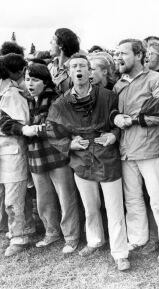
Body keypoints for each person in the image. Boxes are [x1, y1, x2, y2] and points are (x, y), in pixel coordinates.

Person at [40, 54, 130, 271]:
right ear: (69, 73)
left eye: (82, 66)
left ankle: (120, 252)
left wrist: (114, 136)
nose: (78, 69)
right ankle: (95, 240)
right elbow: (51, 129)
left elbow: (117, 119)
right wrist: (69, 144)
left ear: (90, 72)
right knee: (90, 207)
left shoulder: (108, 96)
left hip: (106, 154)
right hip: (81, 158)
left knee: (114, 207)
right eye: (74, 66)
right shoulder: (61, 103)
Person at [112, 39, 159, 262]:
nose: (118, 57)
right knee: (132, 198)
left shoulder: (156, 79)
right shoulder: (118, 83)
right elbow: (114, 113)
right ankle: (138, 238)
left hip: (149, 149)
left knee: (158, 199)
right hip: (125, 150)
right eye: (116, 53)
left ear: (139, 55)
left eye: (123, 53)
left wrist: (135, 119)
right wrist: (116, 117)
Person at [4, 63, 80, 254]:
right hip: (35, 156)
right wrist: (26, 129)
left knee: (66, 197)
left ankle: (71, 236)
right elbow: (12, 123)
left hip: (57, 156)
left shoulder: (56, 100)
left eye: (35, 80)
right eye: (28, 79)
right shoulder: (26, 101)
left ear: (45, 81)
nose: (30, 83)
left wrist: (36, 129)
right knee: (44, 200)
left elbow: (61, 128)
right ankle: (51, 232)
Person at [0, 54, 31, 257]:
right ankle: (18, 231)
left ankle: (19, 237)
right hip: (4, 154)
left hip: (13, 153)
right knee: (6, 197)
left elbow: (22, 124)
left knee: (13, 199)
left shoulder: (12, 95)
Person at [49, 28, 80, 94]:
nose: (50, 42)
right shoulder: (50, 67)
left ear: (61, 45)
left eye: (53, 39)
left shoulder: (75, 70)